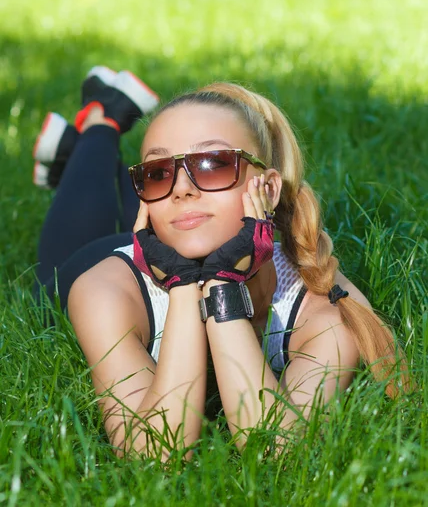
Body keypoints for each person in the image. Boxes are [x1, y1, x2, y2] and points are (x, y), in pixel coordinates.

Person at [33, 66, 410, 459]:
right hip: (98, 259)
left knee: (185, 206)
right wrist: (182, 287)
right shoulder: (102, 290)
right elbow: (154, 452)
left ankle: (84, 141)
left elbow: (276, 448)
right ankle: (102, 119)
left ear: (268, 187)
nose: (181, 188)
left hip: (182, 233)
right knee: (61, 258)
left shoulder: (323, 305)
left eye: (213, 164)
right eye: (156, 172)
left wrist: (222, 284)